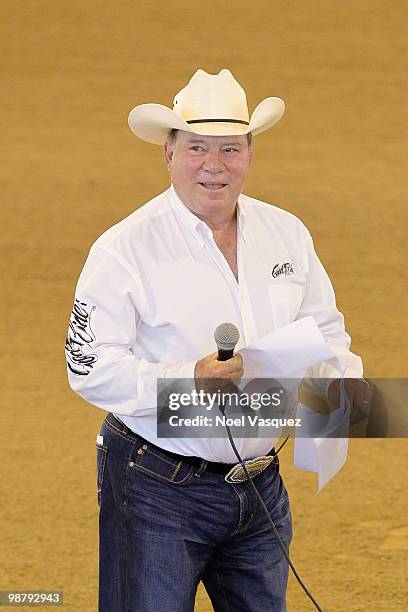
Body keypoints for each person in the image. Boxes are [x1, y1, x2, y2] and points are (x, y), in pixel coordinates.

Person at [65, 69, 370, 612]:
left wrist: (335, 398)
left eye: (230, 148)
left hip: (261, 487)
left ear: (250, 154)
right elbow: (89, 367)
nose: (214, 164)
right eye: (197, 148)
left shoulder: (287, 233)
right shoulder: (122, 250)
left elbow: (326, 330)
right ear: (169, 153)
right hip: (158, 486)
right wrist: (188, 379)